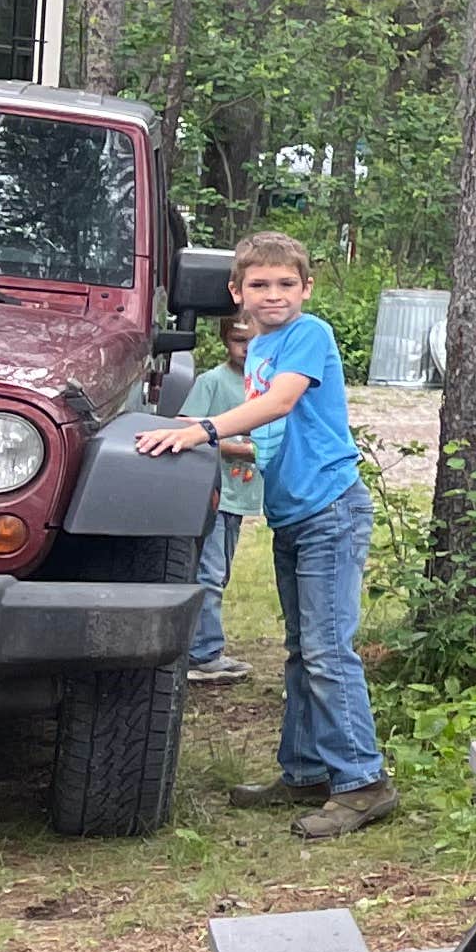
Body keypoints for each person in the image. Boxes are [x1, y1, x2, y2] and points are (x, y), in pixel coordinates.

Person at [138, 234, 391, 837]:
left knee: (328, 651)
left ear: (306, 288)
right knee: (303, 651)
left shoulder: (310, 335)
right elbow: (271, 431)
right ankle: (305, 771)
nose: (273, 294)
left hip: (331, 510)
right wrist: (204, 445)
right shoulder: (259, 347)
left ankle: (363, 783)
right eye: (259, 284)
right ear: (237, 292)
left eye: (285, 284)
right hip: (293, 515)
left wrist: (202, 428)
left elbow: (279, 404)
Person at [177, 313, 268, 685]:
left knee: (220, 571)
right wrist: (240, 448)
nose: (247, 349)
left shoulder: (266, 388)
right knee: (210, 573)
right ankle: (203, 653)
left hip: (241, 495)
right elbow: (185, 428)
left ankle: (201, 644)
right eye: (239, 341)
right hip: (215, 493)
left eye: (255, 341)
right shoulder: (212, 382)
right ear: (225, 341)